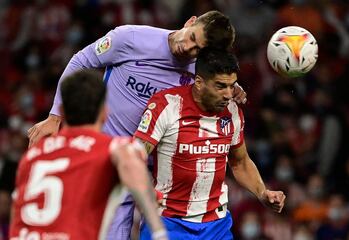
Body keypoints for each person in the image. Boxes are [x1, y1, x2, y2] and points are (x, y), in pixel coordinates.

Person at [26, 10, 247, 239]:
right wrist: (55, 116)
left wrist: (234, 89)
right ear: (190, 22)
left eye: (198, 49)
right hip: (114, 160)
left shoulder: (199, 68)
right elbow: (81, 61)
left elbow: (218, 85)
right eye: (191, 38)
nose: (188, 49)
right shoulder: (130, 39)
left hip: (163, 175)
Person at [134, 47, 286, 239]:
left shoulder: (232, 112)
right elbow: (135, 157)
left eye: (232, 86)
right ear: (199, 82)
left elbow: (240, 162)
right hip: (167, 221)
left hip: (216, 226)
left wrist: (262, 193)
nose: (229, 94)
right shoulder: (167, 106)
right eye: (221, 86)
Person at [10, 70, 167, 240]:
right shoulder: (115, 148)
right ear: (105, 112)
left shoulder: (32, 157)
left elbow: (16, 211)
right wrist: (159, 232)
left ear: (61, 111)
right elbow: (131, 166)